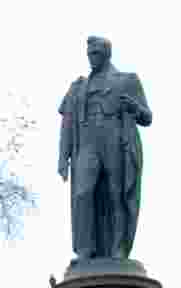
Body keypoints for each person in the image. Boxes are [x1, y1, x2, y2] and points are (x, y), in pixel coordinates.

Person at [59, 35, 151, 261]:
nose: (92, 58)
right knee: (83, 194)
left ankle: (118, 249)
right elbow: (67, 122)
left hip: (115, 138)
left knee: (116, 194)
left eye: (96, 53)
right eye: (90, 54)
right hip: (87, 142)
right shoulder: (78, 86)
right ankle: (85, 250)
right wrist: (63, 157)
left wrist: (135, 108)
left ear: (107, 53)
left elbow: (147, 117)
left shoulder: (127, 80)